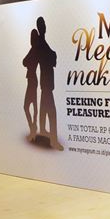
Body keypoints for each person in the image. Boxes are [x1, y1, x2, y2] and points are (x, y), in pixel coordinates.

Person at [36, 16, 63, 150]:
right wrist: (53, 55)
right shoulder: (41, 42)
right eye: (43, 24)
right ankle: (53, 140)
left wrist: (53, 55)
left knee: (43, 108)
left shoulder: (42, 42)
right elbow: (50, 58)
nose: (45, 26)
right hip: (46, 83)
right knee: (52, 113)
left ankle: (42, 131)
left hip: (45, 83)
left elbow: (50, 57)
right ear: (41, 27)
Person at [22, 29, 41, 141]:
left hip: (32, 80)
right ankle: (33, 126)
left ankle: (33, 127)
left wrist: (28, 63)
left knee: (28, 106)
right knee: (32, 104)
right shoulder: (34, 50)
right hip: (32, 79)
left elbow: (24, 62)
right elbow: (24, 62)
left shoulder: (33, 50)